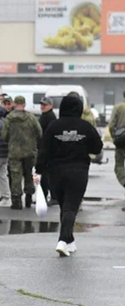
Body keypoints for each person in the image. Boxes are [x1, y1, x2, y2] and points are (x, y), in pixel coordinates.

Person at [36, 94, 103, 256]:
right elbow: (97, 147)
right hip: (78, 171)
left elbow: (43, 150)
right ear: (79, 109)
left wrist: (38, 170)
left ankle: (69, 240)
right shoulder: (86, 126)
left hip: (55, 172)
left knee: (64, 206)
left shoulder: (53, 126)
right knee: (71, 207)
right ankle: (63, 240)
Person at [3, 95, 42, 209]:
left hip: (14, 152)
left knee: (15, 176)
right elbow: (39, 133)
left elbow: (4, 135)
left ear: (14, 104)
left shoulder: (9, 118)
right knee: (29, 174)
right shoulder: (31, 117)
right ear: (24, 104)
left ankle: (16, 201)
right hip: (29, 151)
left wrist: (11, 142)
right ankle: (28, 199)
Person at [38, 97, 58, 203]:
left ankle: (52, 196)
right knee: (46, 175)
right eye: (41, 104)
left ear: (50, 106)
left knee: (47, 175)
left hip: (48, 150)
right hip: (46, 149)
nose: (42, 106)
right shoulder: (45, 116)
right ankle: (47, 196)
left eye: (44, 105)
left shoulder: (49, 117)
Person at [108, 91, 125, 209]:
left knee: (119, 166)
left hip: (121, 142)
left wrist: (115, 138)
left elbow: (111, 125)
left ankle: (124, 182)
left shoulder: (118, 107)